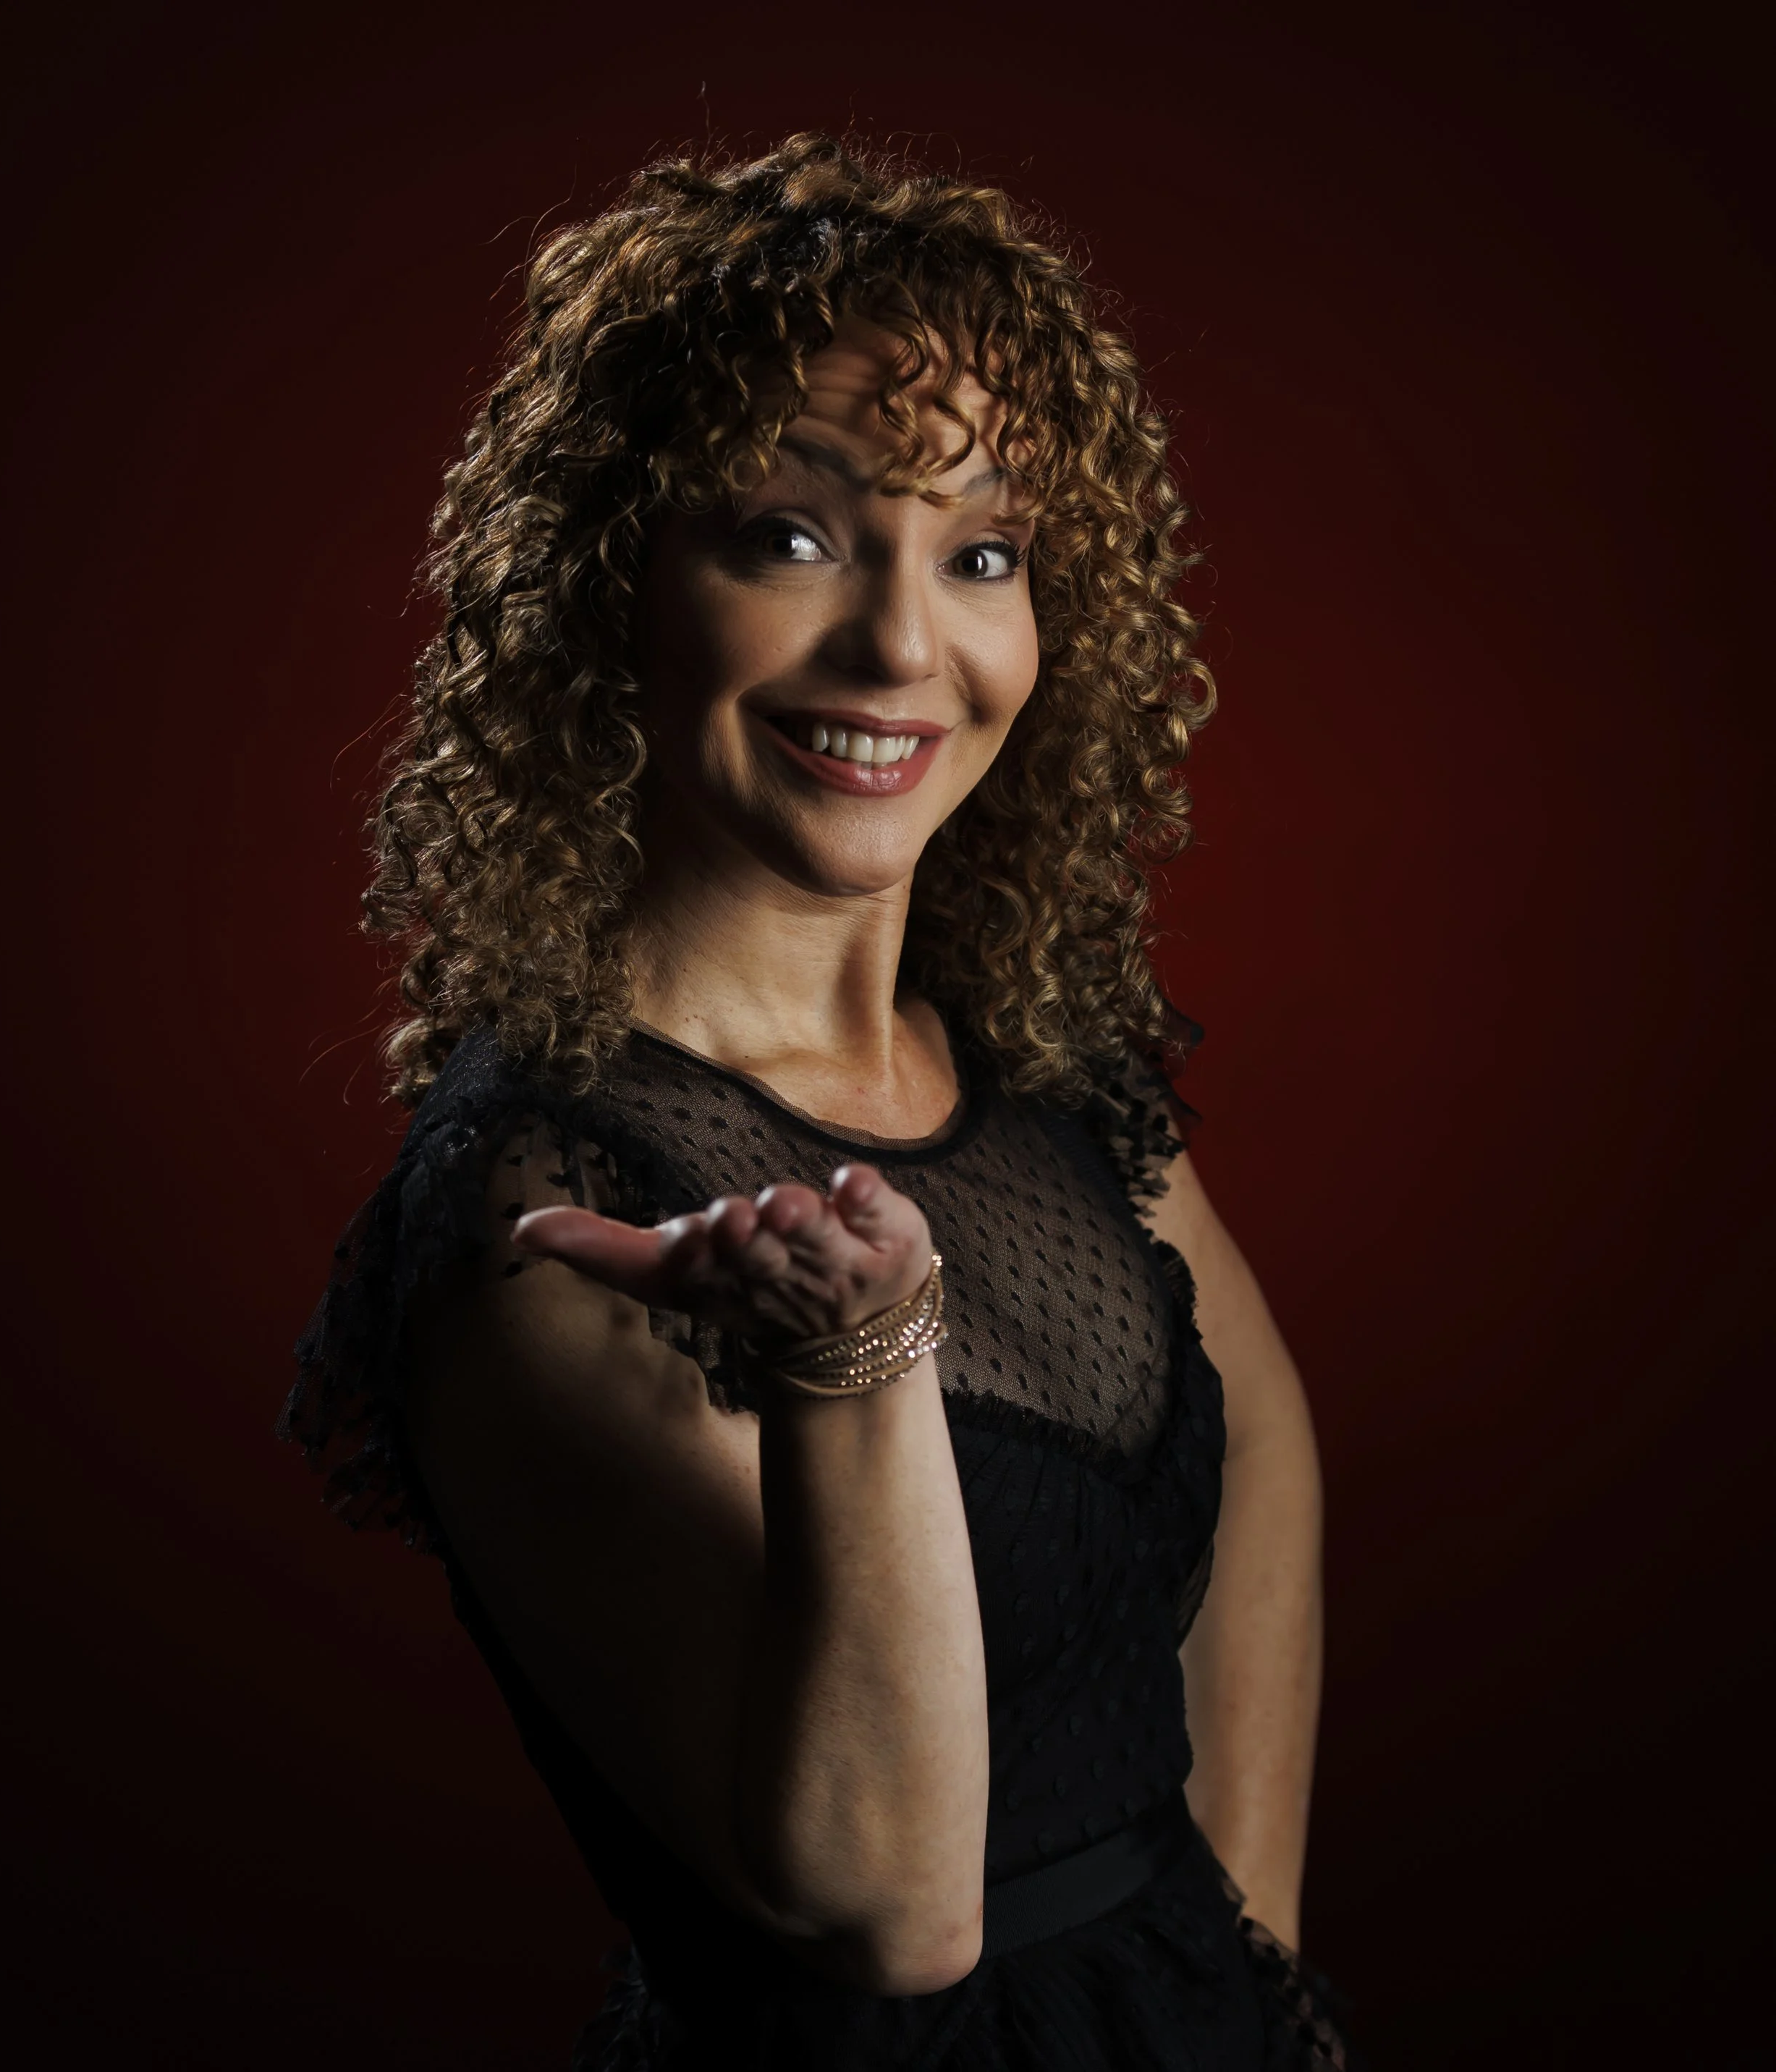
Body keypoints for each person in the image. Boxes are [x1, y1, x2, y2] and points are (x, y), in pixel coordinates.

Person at [282, 133, 1358, 2070]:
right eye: (789, 536)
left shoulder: (1035, 1067)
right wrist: (854, 1366)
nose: (902, 647)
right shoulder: (543, 1195)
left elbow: (1255, 1443)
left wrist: (1240, 1962)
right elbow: (886, 1899)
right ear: (612, 584)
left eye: (985, 553)